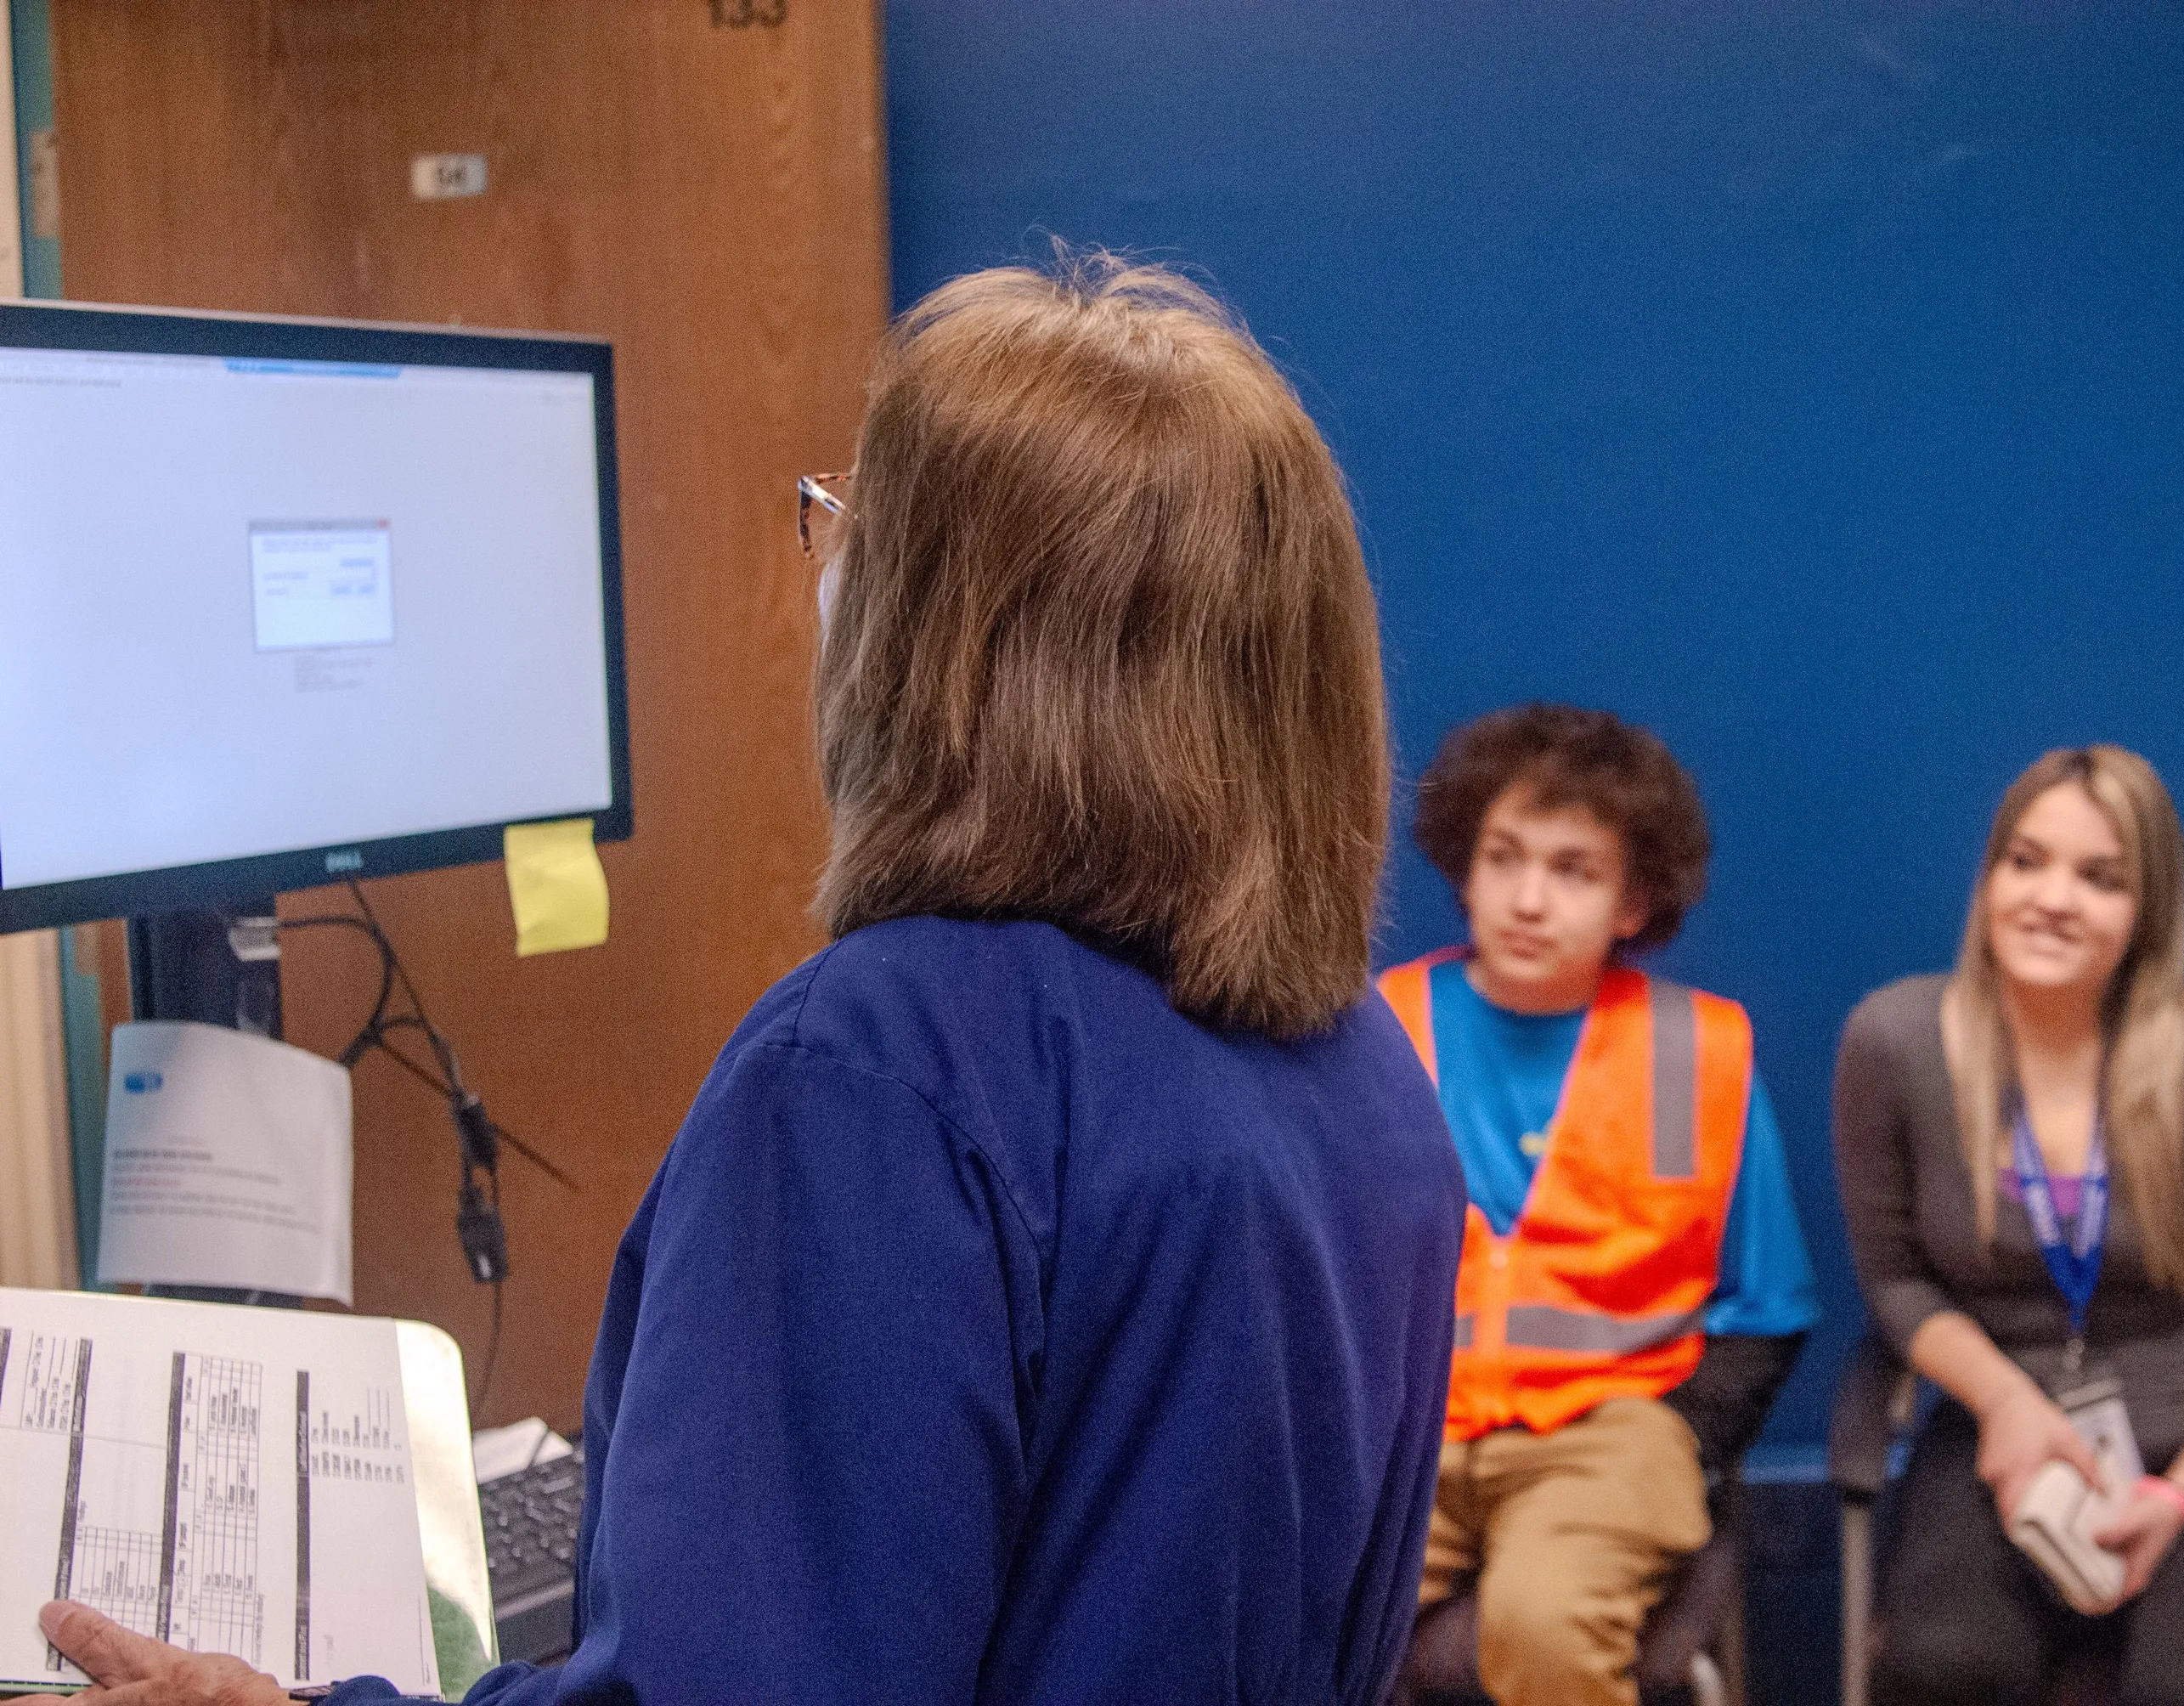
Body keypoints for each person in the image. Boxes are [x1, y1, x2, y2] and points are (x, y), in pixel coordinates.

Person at [41, 257, 1469, 1704]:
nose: (826, 567)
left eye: (850, 523)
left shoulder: (878, 1069)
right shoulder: (1363, 1068)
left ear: (942, 640)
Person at [1832, 744, 2184, 1706]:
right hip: (2018, 1432)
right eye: (2024, 861)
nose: (2051, 898)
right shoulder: (1894, 1041)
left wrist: (2177, 1494)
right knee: (1946, 1666)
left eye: (2100, 877)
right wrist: (2003, 1402)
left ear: (2146, 910)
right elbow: (1899, 1283)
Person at [1375, 704, 1818, 1706]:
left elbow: (1770, 1307)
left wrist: (1672, 1444)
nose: (1529, 898)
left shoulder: (1699, 1050)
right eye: (1504, 856)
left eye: (1573, 868)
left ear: (1633, 898)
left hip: (1609, 1433)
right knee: (1286, 1610)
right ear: (1465, 867)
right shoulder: (1378, 1030)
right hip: (1406, 1428)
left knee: (1543, 1622)